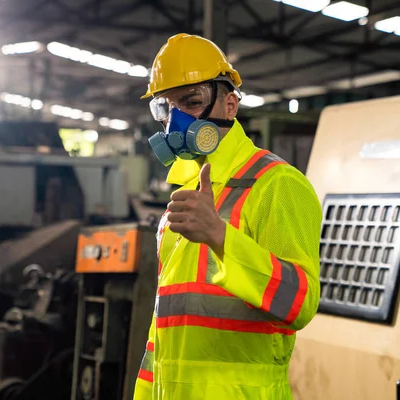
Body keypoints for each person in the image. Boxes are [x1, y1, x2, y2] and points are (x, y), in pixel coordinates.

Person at [134, 33, 322, 400]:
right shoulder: (183, 199)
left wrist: (221, 237)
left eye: (192, 102)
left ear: (230, 105)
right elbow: (163, 331)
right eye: (165, 109)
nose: (177, 121)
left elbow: (300, 302)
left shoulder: (277, 184)